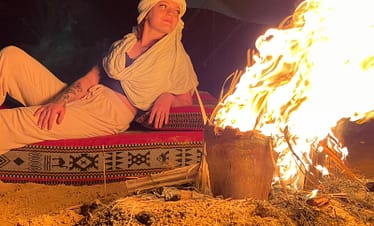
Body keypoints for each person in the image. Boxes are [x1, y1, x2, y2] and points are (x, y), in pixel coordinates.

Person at [0, 0, 198, 154]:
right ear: (147, 11)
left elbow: (185, 100)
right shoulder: (123, 45)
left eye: (176, 11)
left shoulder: (176, 56)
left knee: (11, 121)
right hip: (86, 98)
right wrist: (60, 102)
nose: (171, 14)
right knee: (10, 56)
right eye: (164, 6)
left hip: (108, 113)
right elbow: (88, 80)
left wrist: (168, 97)